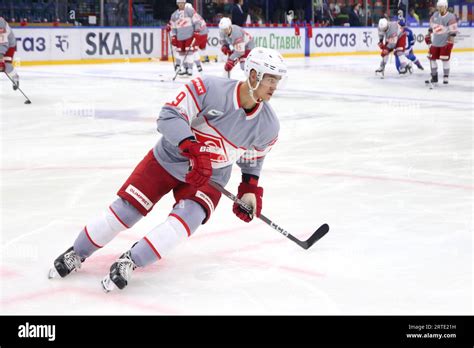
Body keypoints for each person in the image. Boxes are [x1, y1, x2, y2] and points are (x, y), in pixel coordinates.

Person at [48, 47, 288, 292]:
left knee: (187, 220)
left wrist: (249, 188)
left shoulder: (269, 125)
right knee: (126, 212)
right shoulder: (211, 89)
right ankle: (77, 253)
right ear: (254, 75)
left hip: (210, 176)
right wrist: (193, 148)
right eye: (270, 79)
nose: (274, 86)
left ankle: (130, 260)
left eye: (277, 80)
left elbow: (252, 158)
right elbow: (169, 115)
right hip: (168, 158)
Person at [424, 0, 458, 85]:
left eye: (441, 6)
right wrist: (428, 35)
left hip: (445, 43)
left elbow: (453, 33)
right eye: (438, 6)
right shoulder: (434, 15)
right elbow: (431, 27)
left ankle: (446, 76)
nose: (439, 8)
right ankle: (434, 76)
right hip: (435, 42)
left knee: (445, 59)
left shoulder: (451, 17)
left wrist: (450, 43)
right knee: (432, 59)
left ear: (446, 7)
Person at [169, 0, 197, 77]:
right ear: (177, 4)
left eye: (182, 3)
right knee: (181, 53)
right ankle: (185, 68)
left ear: (185, 3)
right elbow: (173, 26)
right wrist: (174, 36)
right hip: (180, 36)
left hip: (189, 35)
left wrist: (196, 31)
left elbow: (197, 22)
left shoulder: (190, 12)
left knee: (189, 52)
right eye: (179, 3)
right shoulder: (174, 15)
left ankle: (190, 69)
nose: (181, 4)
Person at [185, 2, 209, 70]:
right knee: (202, 47)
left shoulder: (192, 15)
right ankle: (206, 58)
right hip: (204, 32)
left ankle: (194, 65)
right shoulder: (195, 14)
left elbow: (196, 24)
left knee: (193, 48)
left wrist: (196, 32)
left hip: (200, 33)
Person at [0, 16, 20, 90]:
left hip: (9, 46)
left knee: (6, 66)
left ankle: (15, 77)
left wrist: (1, 58)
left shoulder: (1, 23)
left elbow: (3, 43)